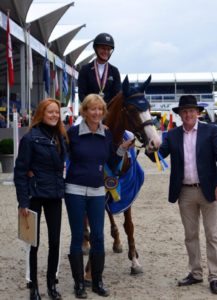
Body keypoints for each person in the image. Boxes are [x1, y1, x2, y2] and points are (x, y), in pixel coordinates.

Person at [147, 95, 217, 295]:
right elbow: (159, 155)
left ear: (198, 113)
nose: (188, 114)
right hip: (185, 192)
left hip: (209, 190)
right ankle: (195, 273)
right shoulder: (172, 134)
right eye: (184, 111)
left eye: (191, 110)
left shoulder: (210, 131)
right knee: (190, 235)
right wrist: (150, 148)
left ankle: (215, 276)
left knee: (213, 235)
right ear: (179, 114)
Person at [65, 94, 134, 298]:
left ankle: (97, 281)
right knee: (78, 237)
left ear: (103, 112)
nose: (96, 113)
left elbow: (111, 162)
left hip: (97, 191)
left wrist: (121, 149)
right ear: (84, 111)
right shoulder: (73, 133)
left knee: (98, 236)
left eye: (99, 110)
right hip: (75, 190)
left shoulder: (107, 134)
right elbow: (60, 156)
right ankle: (79, 284)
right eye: (92, 109)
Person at [14, 98, 68, 300]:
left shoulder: (61, 137)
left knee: (55, 241)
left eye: (57, 112)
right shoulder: (30, 139)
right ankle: (33, 287)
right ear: (41, 113)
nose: (54, 115)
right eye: (50, 112)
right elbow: (20, 172)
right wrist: (23, 202)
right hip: (34, 196)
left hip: (55, 196)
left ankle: (51, 285)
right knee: (33, 244)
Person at [78, 33, 121, 104]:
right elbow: (82, 94)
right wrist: (93, 107)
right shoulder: (85, 70)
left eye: (108, 49)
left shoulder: (114, 71)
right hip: (90, 110)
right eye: (103, 48)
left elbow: (116, 95)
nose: (106, 52)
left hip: (108, 111)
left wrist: (104, 107)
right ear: (96, 48)